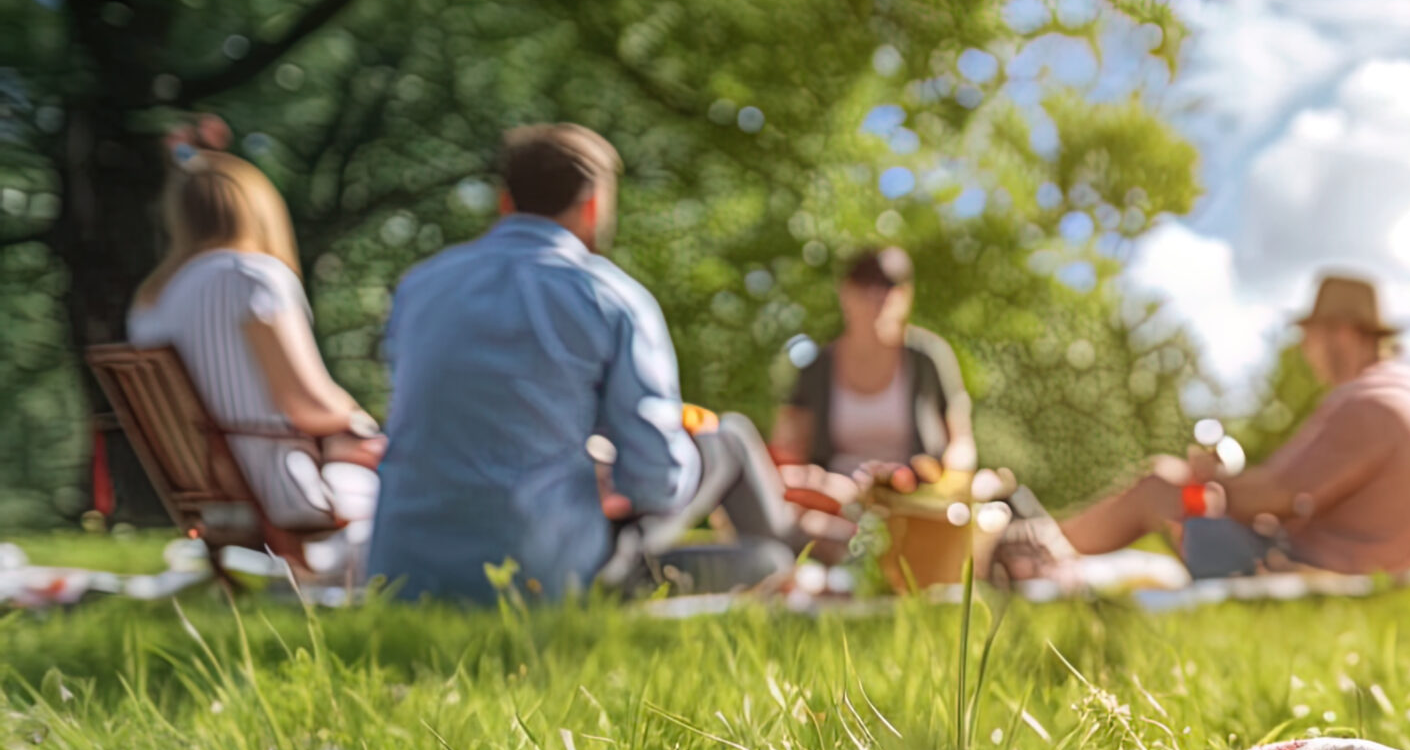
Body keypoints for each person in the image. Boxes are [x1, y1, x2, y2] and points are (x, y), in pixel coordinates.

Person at [367, 124, 801, 603]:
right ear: (592, 206)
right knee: (731, 452)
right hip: (540, 577)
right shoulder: (611, 299)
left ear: (505, 202)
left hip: (404, 574)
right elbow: (658, 482)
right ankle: (790, 573)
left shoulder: (420, 286)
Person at [1060, 273, 1410, 579]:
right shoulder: (1409, 386)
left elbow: (1274, 495)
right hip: (1381, 566)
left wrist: (1212, 480)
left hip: (1332, 575)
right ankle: (1048, 544)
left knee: (1159, 486)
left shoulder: (1368, 401)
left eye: (1309, 337)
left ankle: (1040, 549)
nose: (1305, 351)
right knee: (1177, 487)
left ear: (1341, 333)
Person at [127, 147, 382, 560]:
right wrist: (359, 425)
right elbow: (310, 405)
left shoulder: (151, 298)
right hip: (278, 486)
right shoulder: (252, 276)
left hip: (212, 494)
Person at [772, 246, 975, 479]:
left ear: (906, 294)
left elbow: (962, 442)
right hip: (837, 495)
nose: (877, 296)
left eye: (888, 285)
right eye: (865, 284)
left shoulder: (927, 357)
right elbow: (788, 446)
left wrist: (950, 480)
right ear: (844, 291)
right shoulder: (816, 366)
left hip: (915, 496)